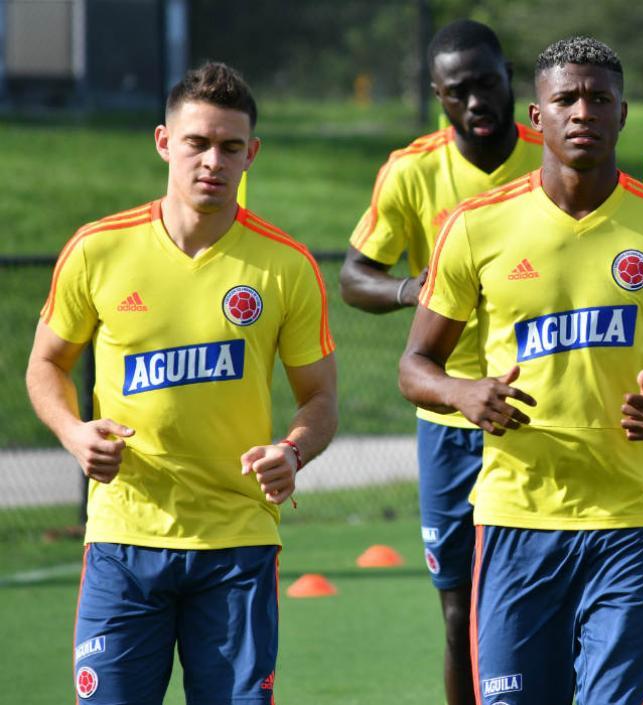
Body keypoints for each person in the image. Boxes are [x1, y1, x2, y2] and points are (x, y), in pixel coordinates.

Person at [399, 36, 643, 705]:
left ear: (623, 114)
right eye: (566, 99)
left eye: (599, 99)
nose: (583, 111)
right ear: (537, 116)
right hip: (515, 522)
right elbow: (415, 365)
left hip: (628, 524)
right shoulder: (475, 227)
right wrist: (462, 393)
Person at [26, 62, 337, 704]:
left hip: (237, 544)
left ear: (251, 154)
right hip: (124, 539)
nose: (212, 161)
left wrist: (292, 451)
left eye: (230, 147)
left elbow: (320, 399)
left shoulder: (286, 266)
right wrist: (73, 432)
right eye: (197, 142)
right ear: (165, 142)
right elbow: (46, 365)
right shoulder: (97, 250)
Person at [338, 19, 541, 705]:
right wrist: (411, 289)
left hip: (535, 413)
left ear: (509, 77)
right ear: (438, 96)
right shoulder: (412, 171)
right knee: (460, 613)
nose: (476, 102)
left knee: (547, 604)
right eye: (458, 91)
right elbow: (354, 276)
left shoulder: (551, 158)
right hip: (449, 420)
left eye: (486, 83)